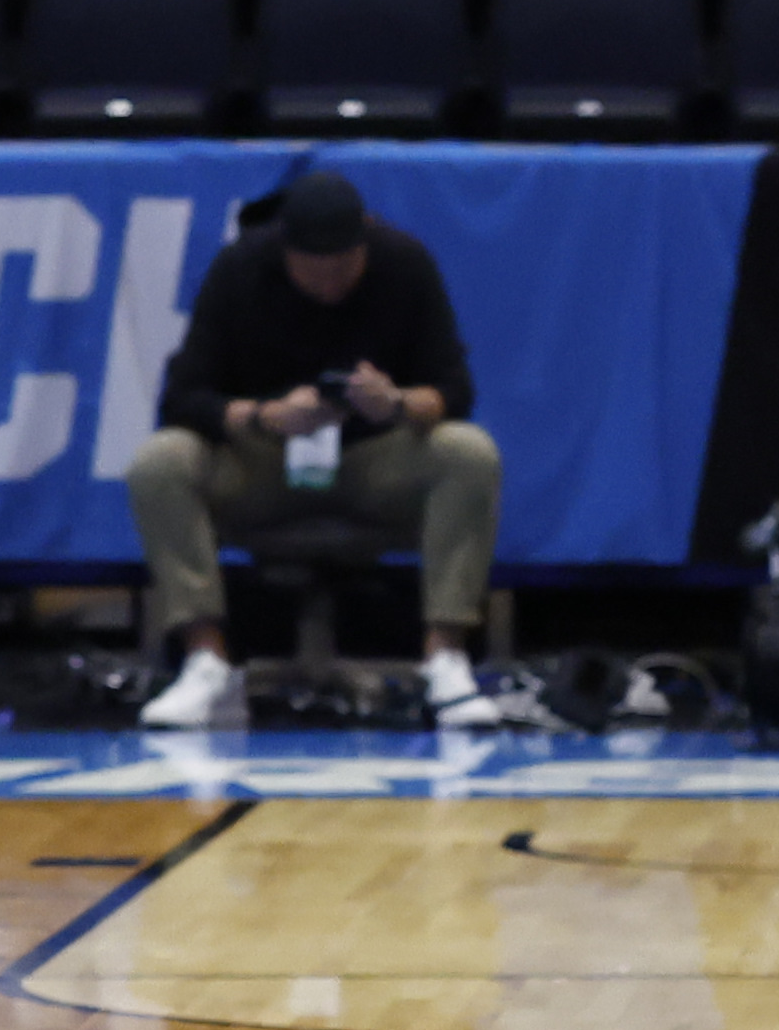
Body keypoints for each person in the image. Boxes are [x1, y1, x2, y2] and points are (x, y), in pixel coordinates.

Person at [124, 163, 523, 732]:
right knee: (159, 461)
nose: (331, 281)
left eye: (344, 266)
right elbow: (184, 399)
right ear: (285, 252)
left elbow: (455, 391)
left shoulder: (404, 263)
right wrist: (265, 415)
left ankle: (445, 659)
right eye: (315, 270)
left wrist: (395, 403)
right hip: (264, 462)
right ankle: (205, 660)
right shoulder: (239, 269)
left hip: (374, 460)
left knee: (468, 451)